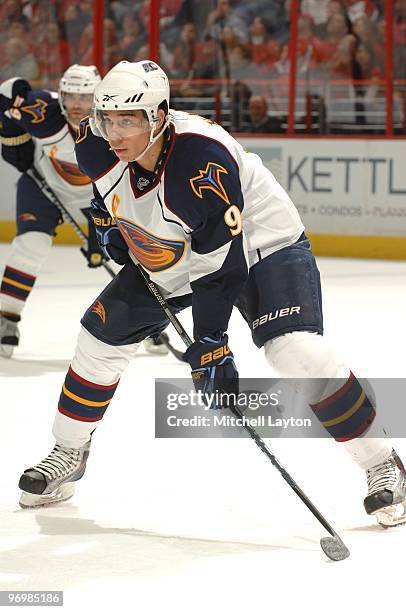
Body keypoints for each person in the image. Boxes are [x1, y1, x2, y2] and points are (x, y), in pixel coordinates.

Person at [16, 60, 406, 530]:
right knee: (99, 339)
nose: (113, 132)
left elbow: (221, 268)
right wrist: (108, 223)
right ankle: (69, 452)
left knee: (295, 352)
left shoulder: (199, 159)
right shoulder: (95, 145)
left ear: (158, 116)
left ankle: (383, 463)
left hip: (264, 246)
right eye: (107, 118)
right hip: (179, 246)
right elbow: (107, 195)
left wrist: (211, 345)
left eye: (128, 120)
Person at [0, 64, 168, 358]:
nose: (77, 105)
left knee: (129, 254)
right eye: (71, 96)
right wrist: (14, 144)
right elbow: (7, 96)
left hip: (98, 194)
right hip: (43, 187)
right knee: (31, 245)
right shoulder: (43, 111)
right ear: (60, 95)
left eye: (85, 96)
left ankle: (149, 321)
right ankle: (6, 318)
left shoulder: (113, 124)